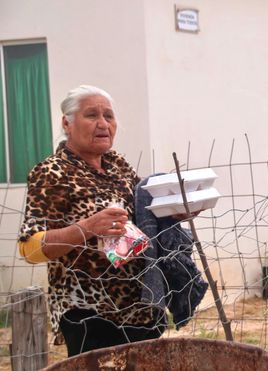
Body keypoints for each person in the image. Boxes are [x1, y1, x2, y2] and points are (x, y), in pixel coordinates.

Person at [18, 85, 164, 356]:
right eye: (91, 115)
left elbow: (145, 215)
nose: (102, 124)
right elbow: (30, 248)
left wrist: (174, 211)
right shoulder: (51, 172)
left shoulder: (117, 165)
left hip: (138, 305)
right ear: (67, 123)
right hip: (88, 311)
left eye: (108, 116)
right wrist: (86, 228)